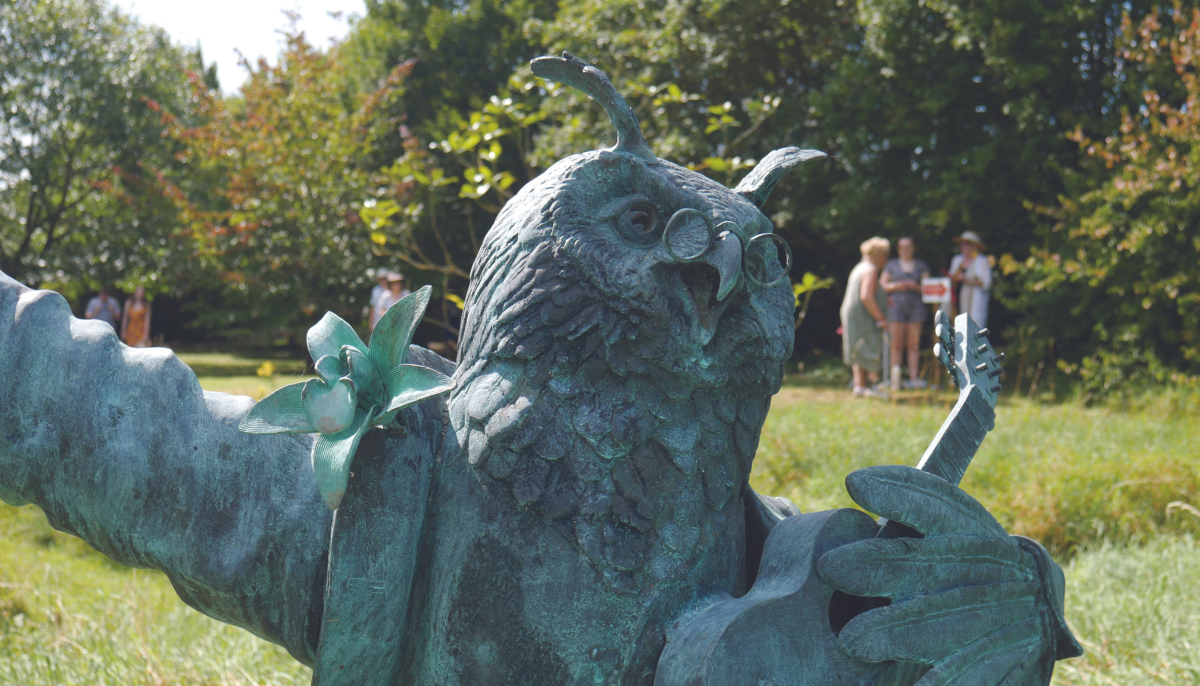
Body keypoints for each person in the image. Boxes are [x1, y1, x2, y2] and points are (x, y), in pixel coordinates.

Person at [840, 237, 890, 398]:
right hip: (862, 315)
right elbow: (866, 297)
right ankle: (872, 385)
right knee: (869, 345)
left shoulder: (860, 267)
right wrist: (880, 318)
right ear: (881, 256)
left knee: (858, 348)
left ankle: (859, 387)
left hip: (852, 314)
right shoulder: (871, 270)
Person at [880, 237, 930, 391]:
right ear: (898, 249)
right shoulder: (892, 265)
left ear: (913, 248)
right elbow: (883, 285)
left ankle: (914, 378)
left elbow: (929, 288)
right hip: (896, 309)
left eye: (908, 247)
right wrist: (897, 286)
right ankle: (894, 379)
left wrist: (915, 286)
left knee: (913, 344)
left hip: (916, 309)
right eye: (902, 247)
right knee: (896, 344)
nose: (905, 250)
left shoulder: (921, 265)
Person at [949, 230, 992, 328]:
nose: (963, 247)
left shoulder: (981, 261)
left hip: (973, 301)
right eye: (962, 244)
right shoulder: (957, 260)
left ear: (975, 246)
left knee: (974, 327)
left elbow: (986, 284)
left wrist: (966, 279)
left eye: (966, 244)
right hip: (956, 299)